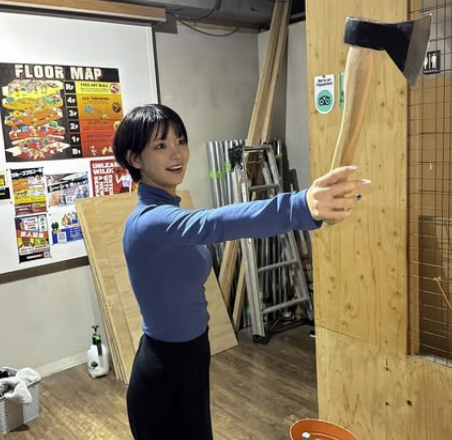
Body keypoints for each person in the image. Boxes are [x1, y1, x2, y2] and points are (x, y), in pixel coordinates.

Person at [112, 103, 370, 440]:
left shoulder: (168, 214)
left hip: (192, 357)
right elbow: (215, 223)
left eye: (180, 140)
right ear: (135, 159)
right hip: (162, 373)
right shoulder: (150, 222)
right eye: (161, 145)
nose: (177, 153)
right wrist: (299, 205)